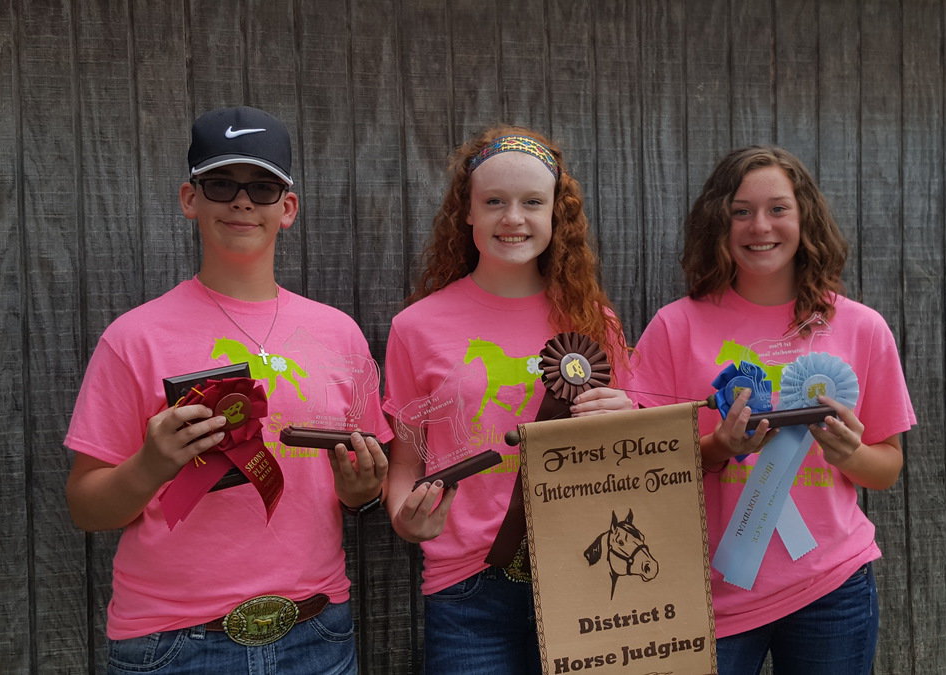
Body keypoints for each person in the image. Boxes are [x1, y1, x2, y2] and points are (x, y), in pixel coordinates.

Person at [63, 105, 390, 674]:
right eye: (221, 184)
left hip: (317, 630)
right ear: (191, 199)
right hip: (173, 642)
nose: (242, 202)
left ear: (287, 209)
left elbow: (361, 490)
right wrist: (149, 465)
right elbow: (86, 508)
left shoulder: (340, 334)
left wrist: (361, 490)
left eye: (262, 188)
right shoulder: (134, 338)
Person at [629, 145, 915, 674]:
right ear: (719, 221)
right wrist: (721, 447)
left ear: (805, 216)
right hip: (709, 591)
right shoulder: (674, 327)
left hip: (832, 586)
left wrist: (850, 454)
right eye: (741, 211)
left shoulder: (862, 327)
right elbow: (641, 463)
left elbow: (888, 467)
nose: (760, 226)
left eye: (778, 208)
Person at [382, 126, 633, 673]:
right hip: (467, 589)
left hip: (585, 574)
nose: (512, 218)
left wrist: (629, 418)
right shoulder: (415, 328)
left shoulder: (596, 322)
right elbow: (404, 461)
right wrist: (406, 519)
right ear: (466, 213)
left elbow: (629, 457)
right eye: (494, 201)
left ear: (554, 216)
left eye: (531, 203)